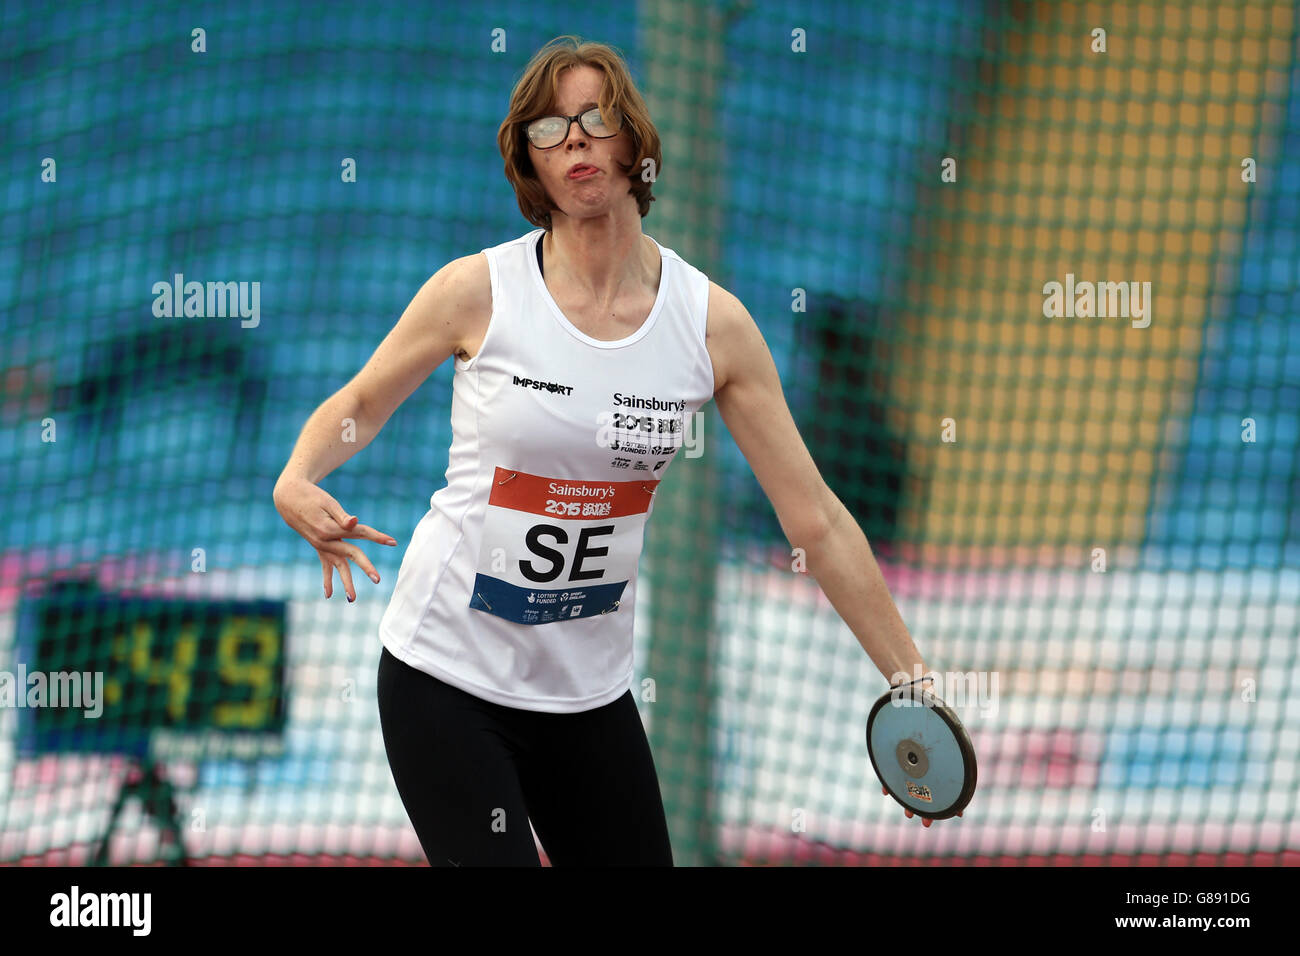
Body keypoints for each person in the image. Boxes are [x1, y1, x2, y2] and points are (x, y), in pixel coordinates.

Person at [273, 35, 944, 867]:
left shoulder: (711, 326)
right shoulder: (477, 292)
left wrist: (910, 675)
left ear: (634, 142)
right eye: (550, 130)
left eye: (593, 117)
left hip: (586, 697)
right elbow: (361, 403)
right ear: (532, 164)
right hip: (444, 678)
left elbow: (818, 521)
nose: (576, 140)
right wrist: (297, 479)